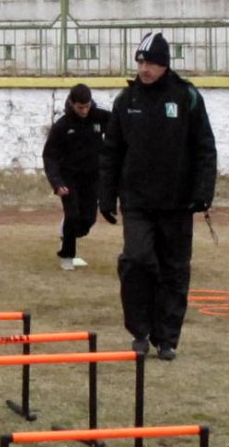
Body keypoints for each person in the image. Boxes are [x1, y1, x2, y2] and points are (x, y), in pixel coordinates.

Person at [100, 32, 217, 361]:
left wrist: (202, 192)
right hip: (137, 201)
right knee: (136, 260)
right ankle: (140, 330)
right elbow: (111, 153)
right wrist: (106, 196)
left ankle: (167, 338)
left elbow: (204, 148)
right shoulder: (126, 101)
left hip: (177, 203)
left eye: (150, 62)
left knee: (174, 270)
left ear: (164, 65)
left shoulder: (186, 97)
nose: (144, 68)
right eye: (140, 61)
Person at [43, 83, 110, 271]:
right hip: (68, 178)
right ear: (72, 104)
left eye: (87, 106)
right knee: (72, 215)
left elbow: (119, 128)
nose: (84, 111)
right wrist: (56, 183)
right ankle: (67, 256)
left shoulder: (99, 117)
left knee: (88, 220)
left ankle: (67, 231)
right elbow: (50, 156)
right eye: (80, 107)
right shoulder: (62, 126)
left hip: (92, 176)